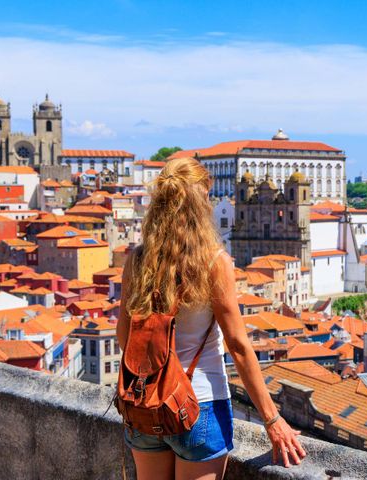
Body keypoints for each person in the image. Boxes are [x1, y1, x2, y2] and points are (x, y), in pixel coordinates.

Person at [116, 157, 306, 480]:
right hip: (199, 406)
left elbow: (125, 337)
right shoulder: (213, 263)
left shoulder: (138, 260)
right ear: (199, 204)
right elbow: (239, 346)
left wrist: (160, 375)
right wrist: (273, 420)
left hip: (146, 406)